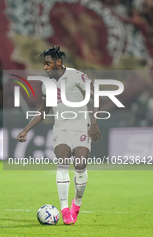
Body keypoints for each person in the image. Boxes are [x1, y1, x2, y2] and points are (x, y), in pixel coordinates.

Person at [16, 46, 102, 225]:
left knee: (80, 165)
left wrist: (94, 123)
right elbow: (44, 110)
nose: (45, 67)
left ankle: (76, 204)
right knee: (62, 161)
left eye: (48, 64)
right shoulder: (46, 84)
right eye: (43, 64)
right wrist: (26, 129)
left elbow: (96, 96)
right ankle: (64, 210)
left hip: (81, 127)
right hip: (60, 128)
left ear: (59, 62)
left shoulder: (77, 76)